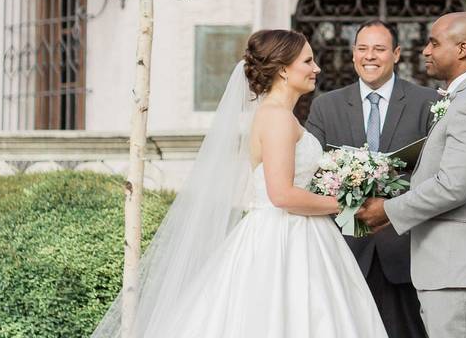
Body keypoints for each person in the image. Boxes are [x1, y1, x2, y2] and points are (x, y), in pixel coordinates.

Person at [90, 29, 388, 338]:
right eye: (308, 61)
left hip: (299, 233)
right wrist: (349, 205)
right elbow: (282, 195)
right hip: (284, 238)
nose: (317, 69)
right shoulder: (276, 118)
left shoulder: (280, 115)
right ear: (284, 69)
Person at [357, 12, 466, 338]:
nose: (425, 50)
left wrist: (385, 210)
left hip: (461, 272)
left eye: (433, 43)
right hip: (451, 270)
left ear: (461, 49)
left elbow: (453, 186)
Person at [306, 20, 434, 338]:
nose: (370, 56)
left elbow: (437, 173)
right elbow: (310, 171)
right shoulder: (326, 106)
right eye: (362, 49)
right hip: (344, 246)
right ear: (352, 55)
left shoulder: (428, 103)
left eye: (379, 49)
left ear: (397, 54)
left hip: (404, 246)